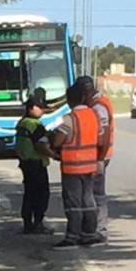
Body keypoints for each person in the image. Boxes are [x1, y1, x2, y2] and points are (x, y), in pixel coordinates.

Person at [48, 82, 99, 250]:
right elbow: (100, 138)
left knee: (73, 203)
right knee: (88, 200)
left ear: (69, 100)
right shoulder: (93, 115)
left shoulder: (70, 119)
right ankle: (89, 234)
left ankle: (72, 237)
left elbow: (58, 141)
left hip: (72, 167)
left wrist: (53, 142)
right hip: (90, 166)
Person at [76, 76, 112, 244]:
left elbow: (104, 135)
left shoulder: (99, 107)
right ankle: (89, 229)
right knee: (89, 194)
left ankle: (99, 230)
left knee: (96, 195)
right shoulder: (94, 105)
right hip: (94, 156)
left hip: (99, 156)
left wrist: (99, 159)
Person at [14, 94, 52, 234]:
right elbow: (40, 145)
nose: (42, 110)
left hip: (25, 163)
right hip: (36, 163)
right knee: (41, 194)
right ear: (31, 108)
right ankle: (38, 223)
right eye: (39, 107)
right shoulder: (35, 125)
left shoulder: (22, 123)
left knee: (29, 193)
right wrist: (55, 155)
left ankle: (27, 224)